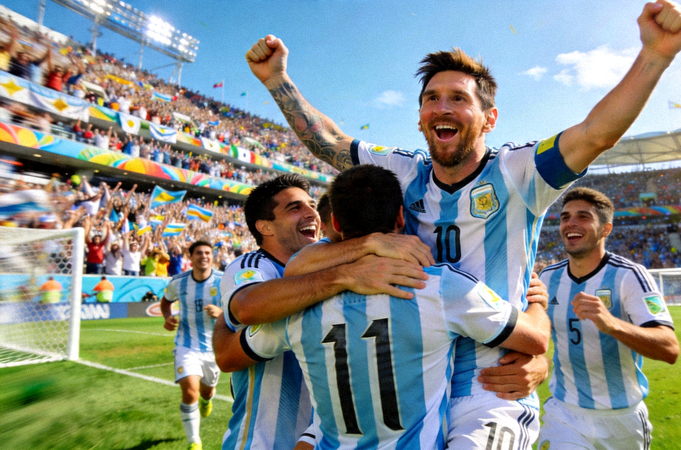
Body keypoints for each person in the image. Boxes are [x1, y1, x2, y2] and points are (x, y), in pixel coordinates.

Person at [245, 1, 681, 445]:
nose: (442, 107)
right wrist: (277, 79)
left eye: (458, 98)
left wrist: (656, 54)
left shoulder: (518, 172)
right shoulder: (404, 170)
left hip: (491, 384)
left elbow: (596, 133)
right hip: (415, 378)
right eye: (431, 99)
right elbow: (328, 142)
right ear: (420, 118)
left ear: (488, 119)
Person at [232, 164, 549, 448]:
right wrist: (537, 303)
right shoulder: (439, 287)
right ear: (400, 216)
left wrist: (222, 325)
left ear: (336, 223)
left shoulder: (297, 306)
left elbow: (228, 354)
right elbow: (535, 338)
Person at [213, 174, 432, 450]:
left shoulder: (333, 259)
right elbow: (246, 308)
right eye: (295, 208)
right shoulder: (256, 265)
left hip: (324, 435)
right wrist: (344, 275)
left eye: (312, 205)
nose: (312, 214)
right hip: (265, 441)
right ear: (265, 227)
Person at [537, 187, 680, 450]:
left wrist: (612, 324)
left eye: (583, 216)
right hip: (564, 413)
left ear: (606, 229)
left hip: (621, 419)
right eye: (565, 217)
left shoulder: (630, 275)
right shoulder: (548, 277)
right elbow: (537, 337)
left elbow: (669, 348)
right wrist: (539, 363)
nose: (570, 223)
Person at [160, 241, 224, 450]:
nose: (203, 256)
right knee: (190, 392)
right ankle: (194, 442)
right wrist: (167, 317)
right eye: (199, 253)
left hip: (214, 347)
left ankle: (207, 400)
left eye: (207, 252)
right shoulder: (178, 282)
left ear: (212, 256)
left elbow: (238, 306)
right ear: (190, 257)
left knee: (206, 392)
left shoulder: (223, 280)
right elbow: (166, 302)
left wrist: (221, 313)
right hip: (186, 345)